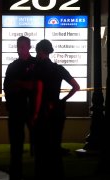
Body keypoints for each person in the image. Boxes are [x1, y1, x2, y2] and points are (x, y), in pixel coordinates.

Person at [33, 39, 80, 180]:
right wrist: (62, 100)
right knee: (55, 146)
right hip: (58, 112)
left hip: (43, 112)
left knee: (42, 148)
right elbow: (76, 86)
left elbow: (39, 92)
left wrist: (35, 113)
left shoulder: (38, 69)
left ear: (40, 51)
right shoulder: (59, 68)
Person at [3, 36, 42, 180]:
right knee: (16, 146)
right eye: (19, 47)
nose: (20, 50)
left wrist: (18, 84)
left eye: (23, 47)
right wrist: (24, 85)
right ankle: (15, 174)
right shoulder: (13, 66)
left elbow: (35, 86)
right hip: (16, 110)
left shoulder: (36, 64)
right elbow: (7, 87)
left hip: (33, 109)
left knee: (38, 145)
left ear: (29, 47)